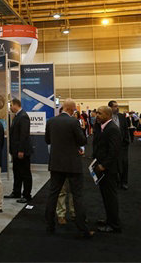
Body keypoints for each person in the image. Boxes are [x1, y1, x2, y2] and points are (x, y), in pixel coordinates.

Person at [44, 98, 93, 237]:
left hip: (56, 163)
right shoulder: (73, 122)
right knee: (77, 195)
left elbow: (47, 140)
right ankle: (82, 227)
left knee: (53, 194)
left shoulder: (51, 121)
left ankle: (49, 225)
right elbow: (82, 140)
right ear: (71, 109)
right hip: (72, 164)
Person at [93, 105, 122, 233]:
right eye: (97, 113)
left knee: (110, 197)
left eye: (100, 113)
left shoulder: (112, 129)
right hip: (102, 168)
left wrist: (104, 165)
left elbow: (114, 151)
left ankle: (114, 225)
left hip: (109, 170)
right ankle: (109, 220)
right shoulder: (101, 127)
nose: (97, 116)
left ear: (108, 115)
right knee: (106, 196)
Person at [5, 98, 33, 203]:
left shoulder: (23, 116)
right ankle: (16, 192)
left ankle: (27, 195)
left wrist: (21, 150)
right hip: (16, 151)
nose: (10, 108)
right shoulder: (17, 116)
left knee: (25, 173)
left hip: (22, 151)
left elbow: (24, 135)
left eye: (11, 105)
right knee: (17, 172)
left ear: (16, 105)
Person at [108, 101, 130, 190]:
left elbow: (125, 129)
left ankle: (124, 182)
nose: (117, 108)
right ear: (110, 108)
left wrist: (126, 141)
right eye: (115, 106)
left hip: (122, 145)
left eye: (117, 106)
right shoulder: (107, 117)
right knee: (114, 164)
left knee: (124, 163)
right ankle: (116, 181)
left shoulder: (121, 116)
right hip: (111, 145)